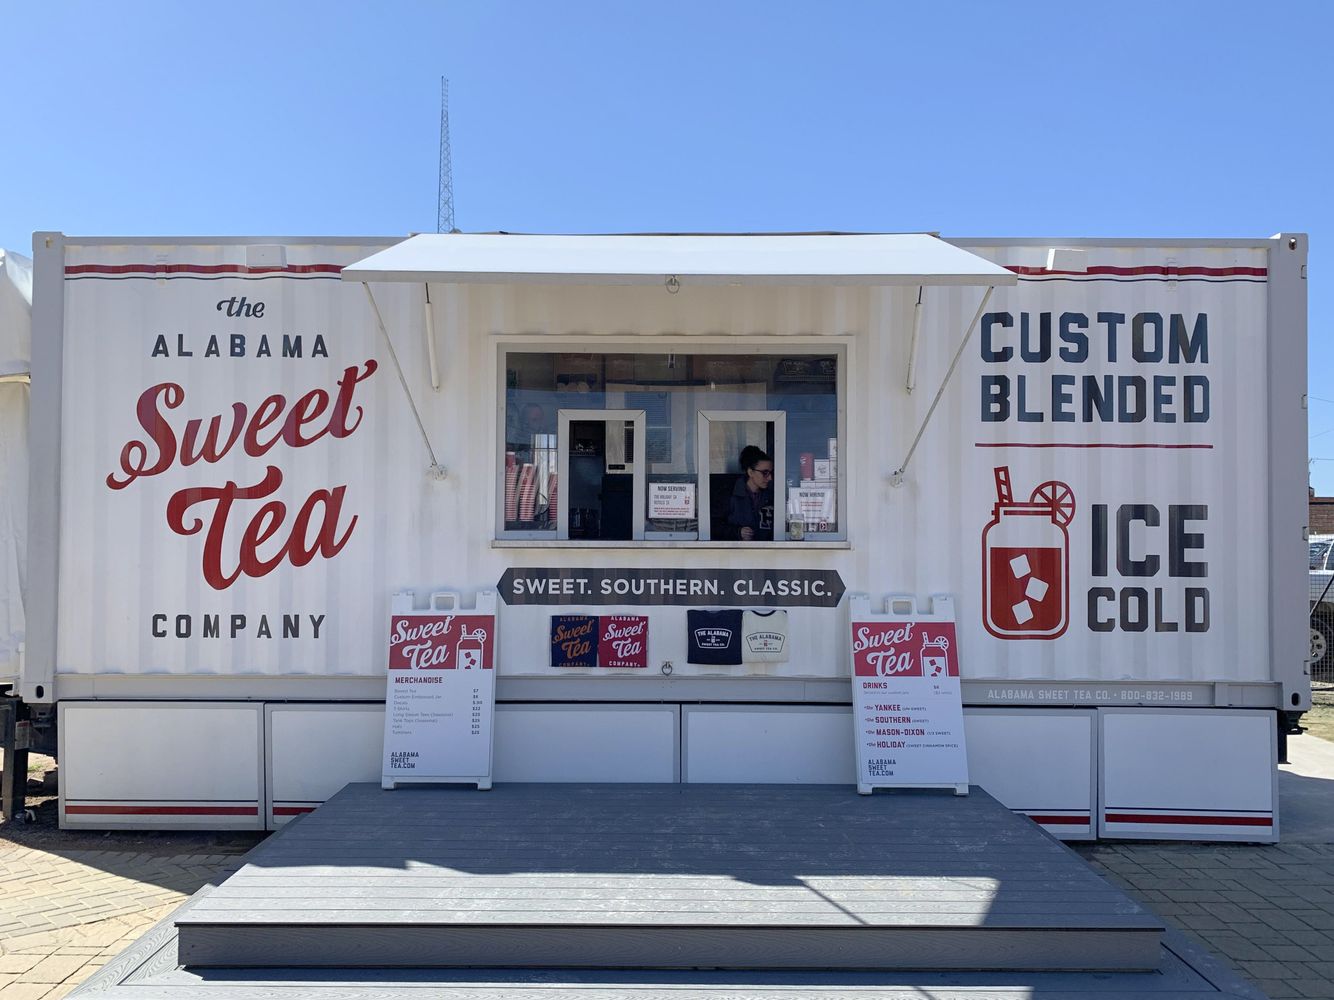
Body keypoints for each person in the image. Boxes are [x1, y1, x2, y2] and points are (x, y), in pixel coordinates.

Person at [727, 445, 775, 541]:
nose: (770, 478)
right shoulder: (729, 495)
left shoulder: (773, 496)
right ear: (750, 472)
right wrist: (737, 532)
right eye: (765, 473)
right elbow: (713, 526)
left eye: (771, 473)